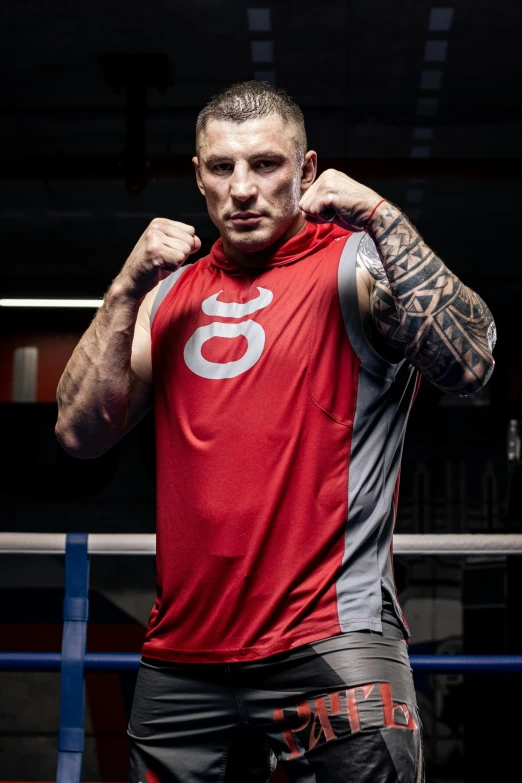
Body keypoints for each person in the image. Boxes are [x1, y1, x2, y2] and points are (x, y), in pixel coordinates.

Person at [56, 81, 496, 783]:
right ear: (197, 174)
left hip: (330, 638)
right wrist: (124, 288)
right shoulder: (169, 292)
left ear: (307, 170)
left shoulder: (357, 265)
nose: (242, 188)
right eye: (222, 167)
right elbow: (80, 433)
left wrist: (382, 216)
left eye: (265, 165)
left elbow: (469, 363)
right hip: (183, 655)